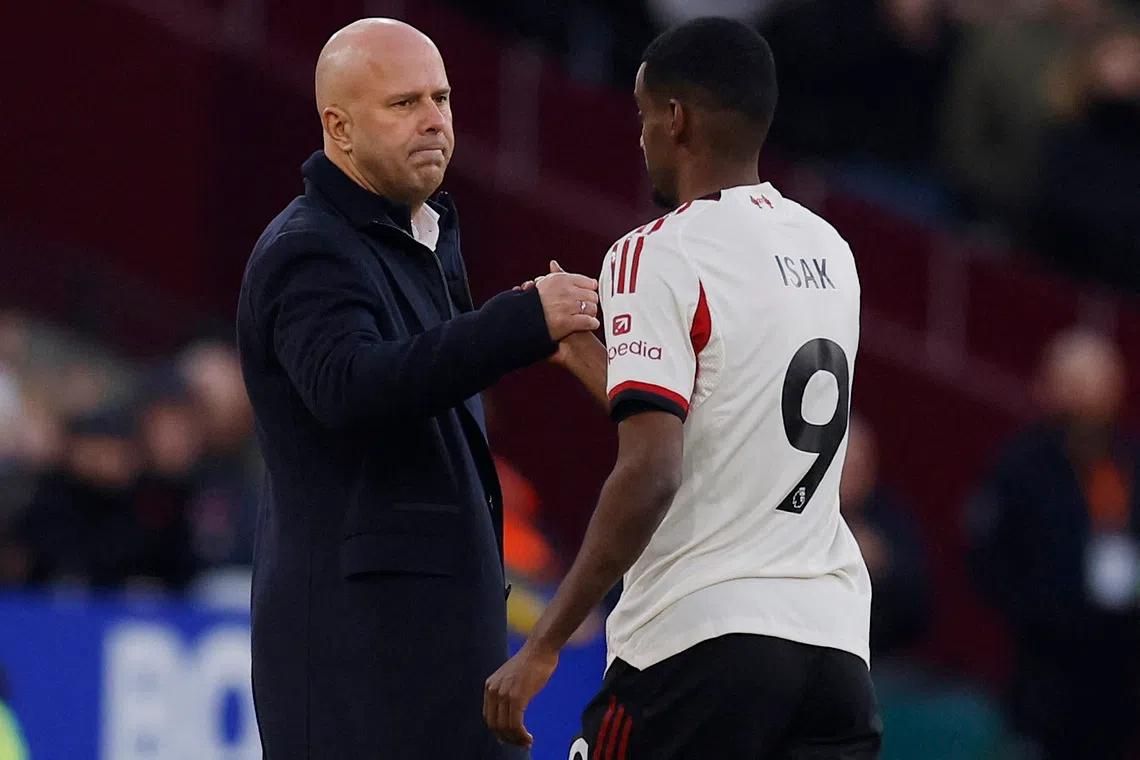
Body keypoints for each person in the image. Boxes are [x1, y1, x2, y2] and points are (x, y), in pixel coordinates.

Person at [484, 17, 880, 759]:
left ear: (675, 119)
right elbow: (726, 426)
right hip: (832, 654)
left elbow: (654, 468)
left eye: (641, 116)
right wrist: (586, 356)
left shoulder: (652, 253)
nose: (639, 138)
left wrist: (545, 642)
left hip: (699, 649)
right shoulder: (831, 249)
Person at [236, 18, 601, 760]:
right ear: (337, 128)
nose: (435, 120)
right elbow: (351, 387)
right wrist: (519, 322)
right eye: (404, 104)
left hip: (433, 668)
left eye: (442, 98)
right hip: (360, 672)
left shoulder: (417, 238)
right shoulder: (310, 249)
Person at [965, 329, 1140, 760]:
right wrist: (1041, 607)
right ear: (1050, 388)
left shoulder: (1128, 460)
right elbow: (985, 558)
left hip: (1122, 669)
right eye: (1076, 385)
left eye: (1098, 385)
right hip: (1045, 672)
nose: (1087, 400)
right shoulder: (1021, 467)